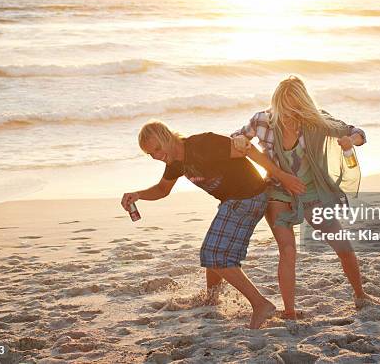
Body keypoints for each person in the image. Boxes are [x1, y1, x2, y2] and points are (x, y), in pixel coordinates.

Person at [121, 120, 305, 329]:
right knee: (214, 249)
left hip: (249, 196)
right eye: (149, 153)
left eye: (157, 148)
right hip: (233, 201)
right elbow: (162, 190)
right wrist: (138, 195)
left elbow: (248, 149)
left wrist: (282, 176)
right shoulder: (175, 163)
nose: (155, 156)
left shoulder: (204, 144)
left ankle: (261, 304)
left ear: (167, 136)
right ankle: (212, 298)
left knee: (213, 254)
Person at [232, 75, 380, 319]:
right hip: (278, 193)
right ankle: (290, 311)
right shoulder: (262, 121)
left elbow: (358, 133)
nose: (291, 114)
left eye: (296, 107)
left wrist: (350, 140)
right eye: (286, 107)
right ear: (278, 103)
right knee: (288, 249)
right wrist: (239, 140)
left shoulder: (316, 121)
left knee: (343, 246)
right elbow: (237, 139)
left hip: (312, 194)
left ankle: (360, 294)